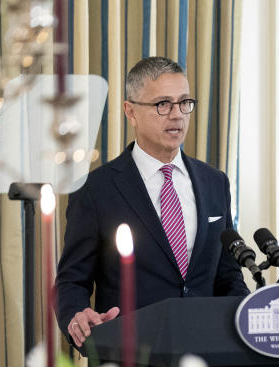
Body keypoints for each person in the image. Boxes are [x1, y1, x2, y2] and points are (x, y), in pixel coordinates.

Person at [55, 56, 249, 349]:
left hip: (206, 365)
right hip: (129, 363)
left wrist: (247, 320)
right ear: (130, 112)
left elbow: (227, 275)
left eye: (185, 103)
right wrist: (77, 317)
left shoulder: (215, 182)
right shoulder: (96, 189)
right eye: (163, 105)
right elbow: (71, 281)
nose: (177, 115)